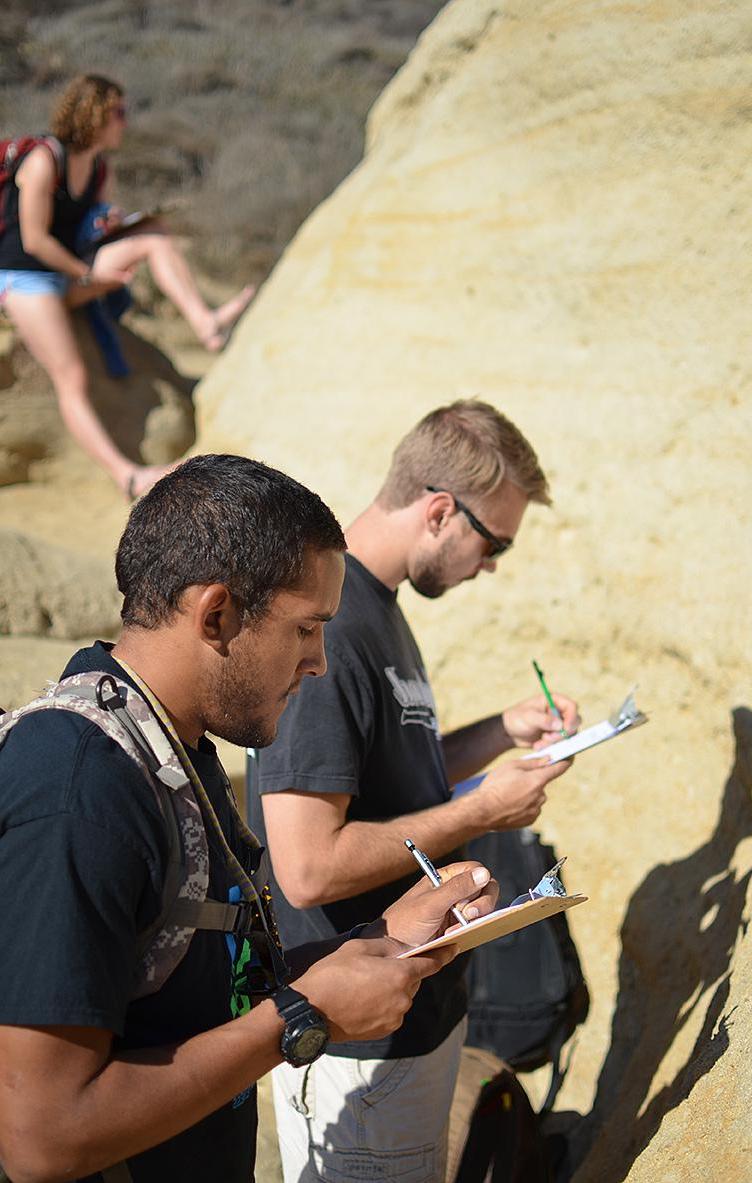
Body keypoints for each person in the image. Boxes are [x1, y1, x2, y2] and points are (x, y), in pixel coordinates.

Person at [0, 453, 500, 1183]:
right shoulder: (80, 787)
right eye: (305, 629)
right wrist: (301, 1017)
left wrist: (380, 939)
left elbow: (196, 988)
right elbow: (44, 1137)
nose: (319, 662)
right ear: (217, 613)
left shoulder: (172, 745)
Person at [248, 398, 581, 1183]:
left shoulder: (377, 609)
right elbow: (307, 866)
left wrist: (503, 728)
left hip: (411, 1021)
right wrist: (482, 809)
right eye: (492, 541)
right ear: (439, 511)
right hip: (358, 1045)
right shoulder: (330, 625)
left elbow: (391, 769)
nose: (492, 562)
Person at [0, 74, 255, 498]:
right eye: (118, 112)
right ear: (94, 114)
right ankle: (127, 475)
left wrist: (109, 222)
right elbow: (34, 239)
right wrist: (89, 277)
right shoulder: (44, 160)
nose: (124, 121)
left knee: (154, 232)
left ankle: (205, 322)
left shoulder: (99, 166)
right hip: (24, 276)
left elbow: (84, 223)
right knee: (73, 376)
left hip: (69, 273)